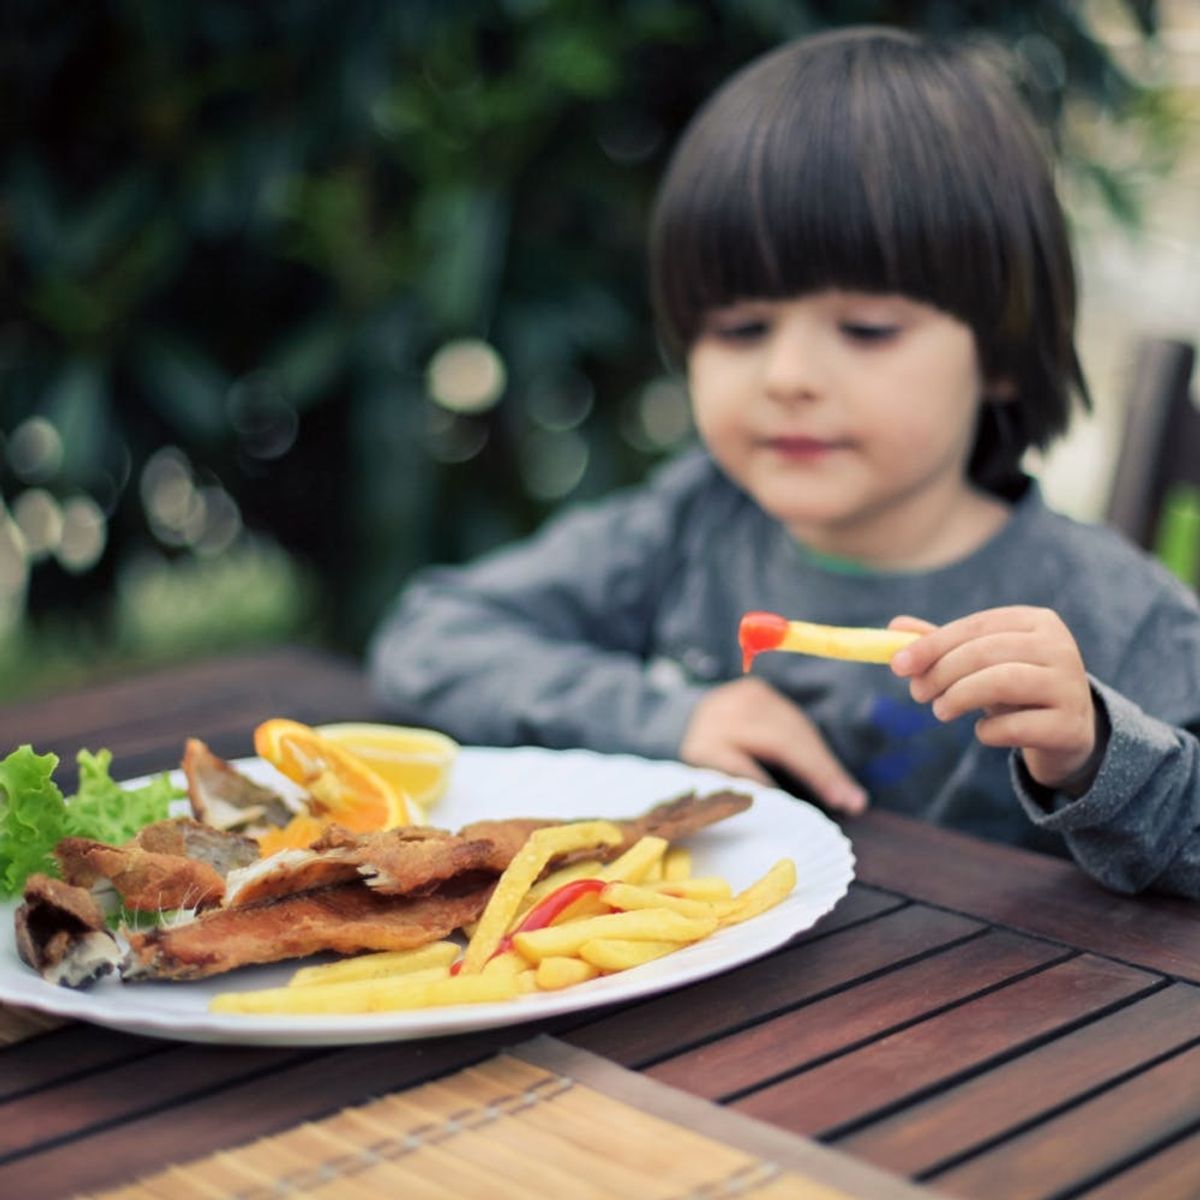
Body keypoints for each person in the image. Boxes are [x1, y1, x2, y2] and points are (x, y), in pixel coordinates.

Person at [369, 27, 1200, 898]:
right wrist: (677, 715)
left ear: (998, 352)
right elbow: (431, 635)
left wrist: (1095, 754)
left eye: (867, 330)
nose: (789, 377)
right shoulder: (691, 525)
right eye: (740, 330)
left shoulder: (1110, 607)